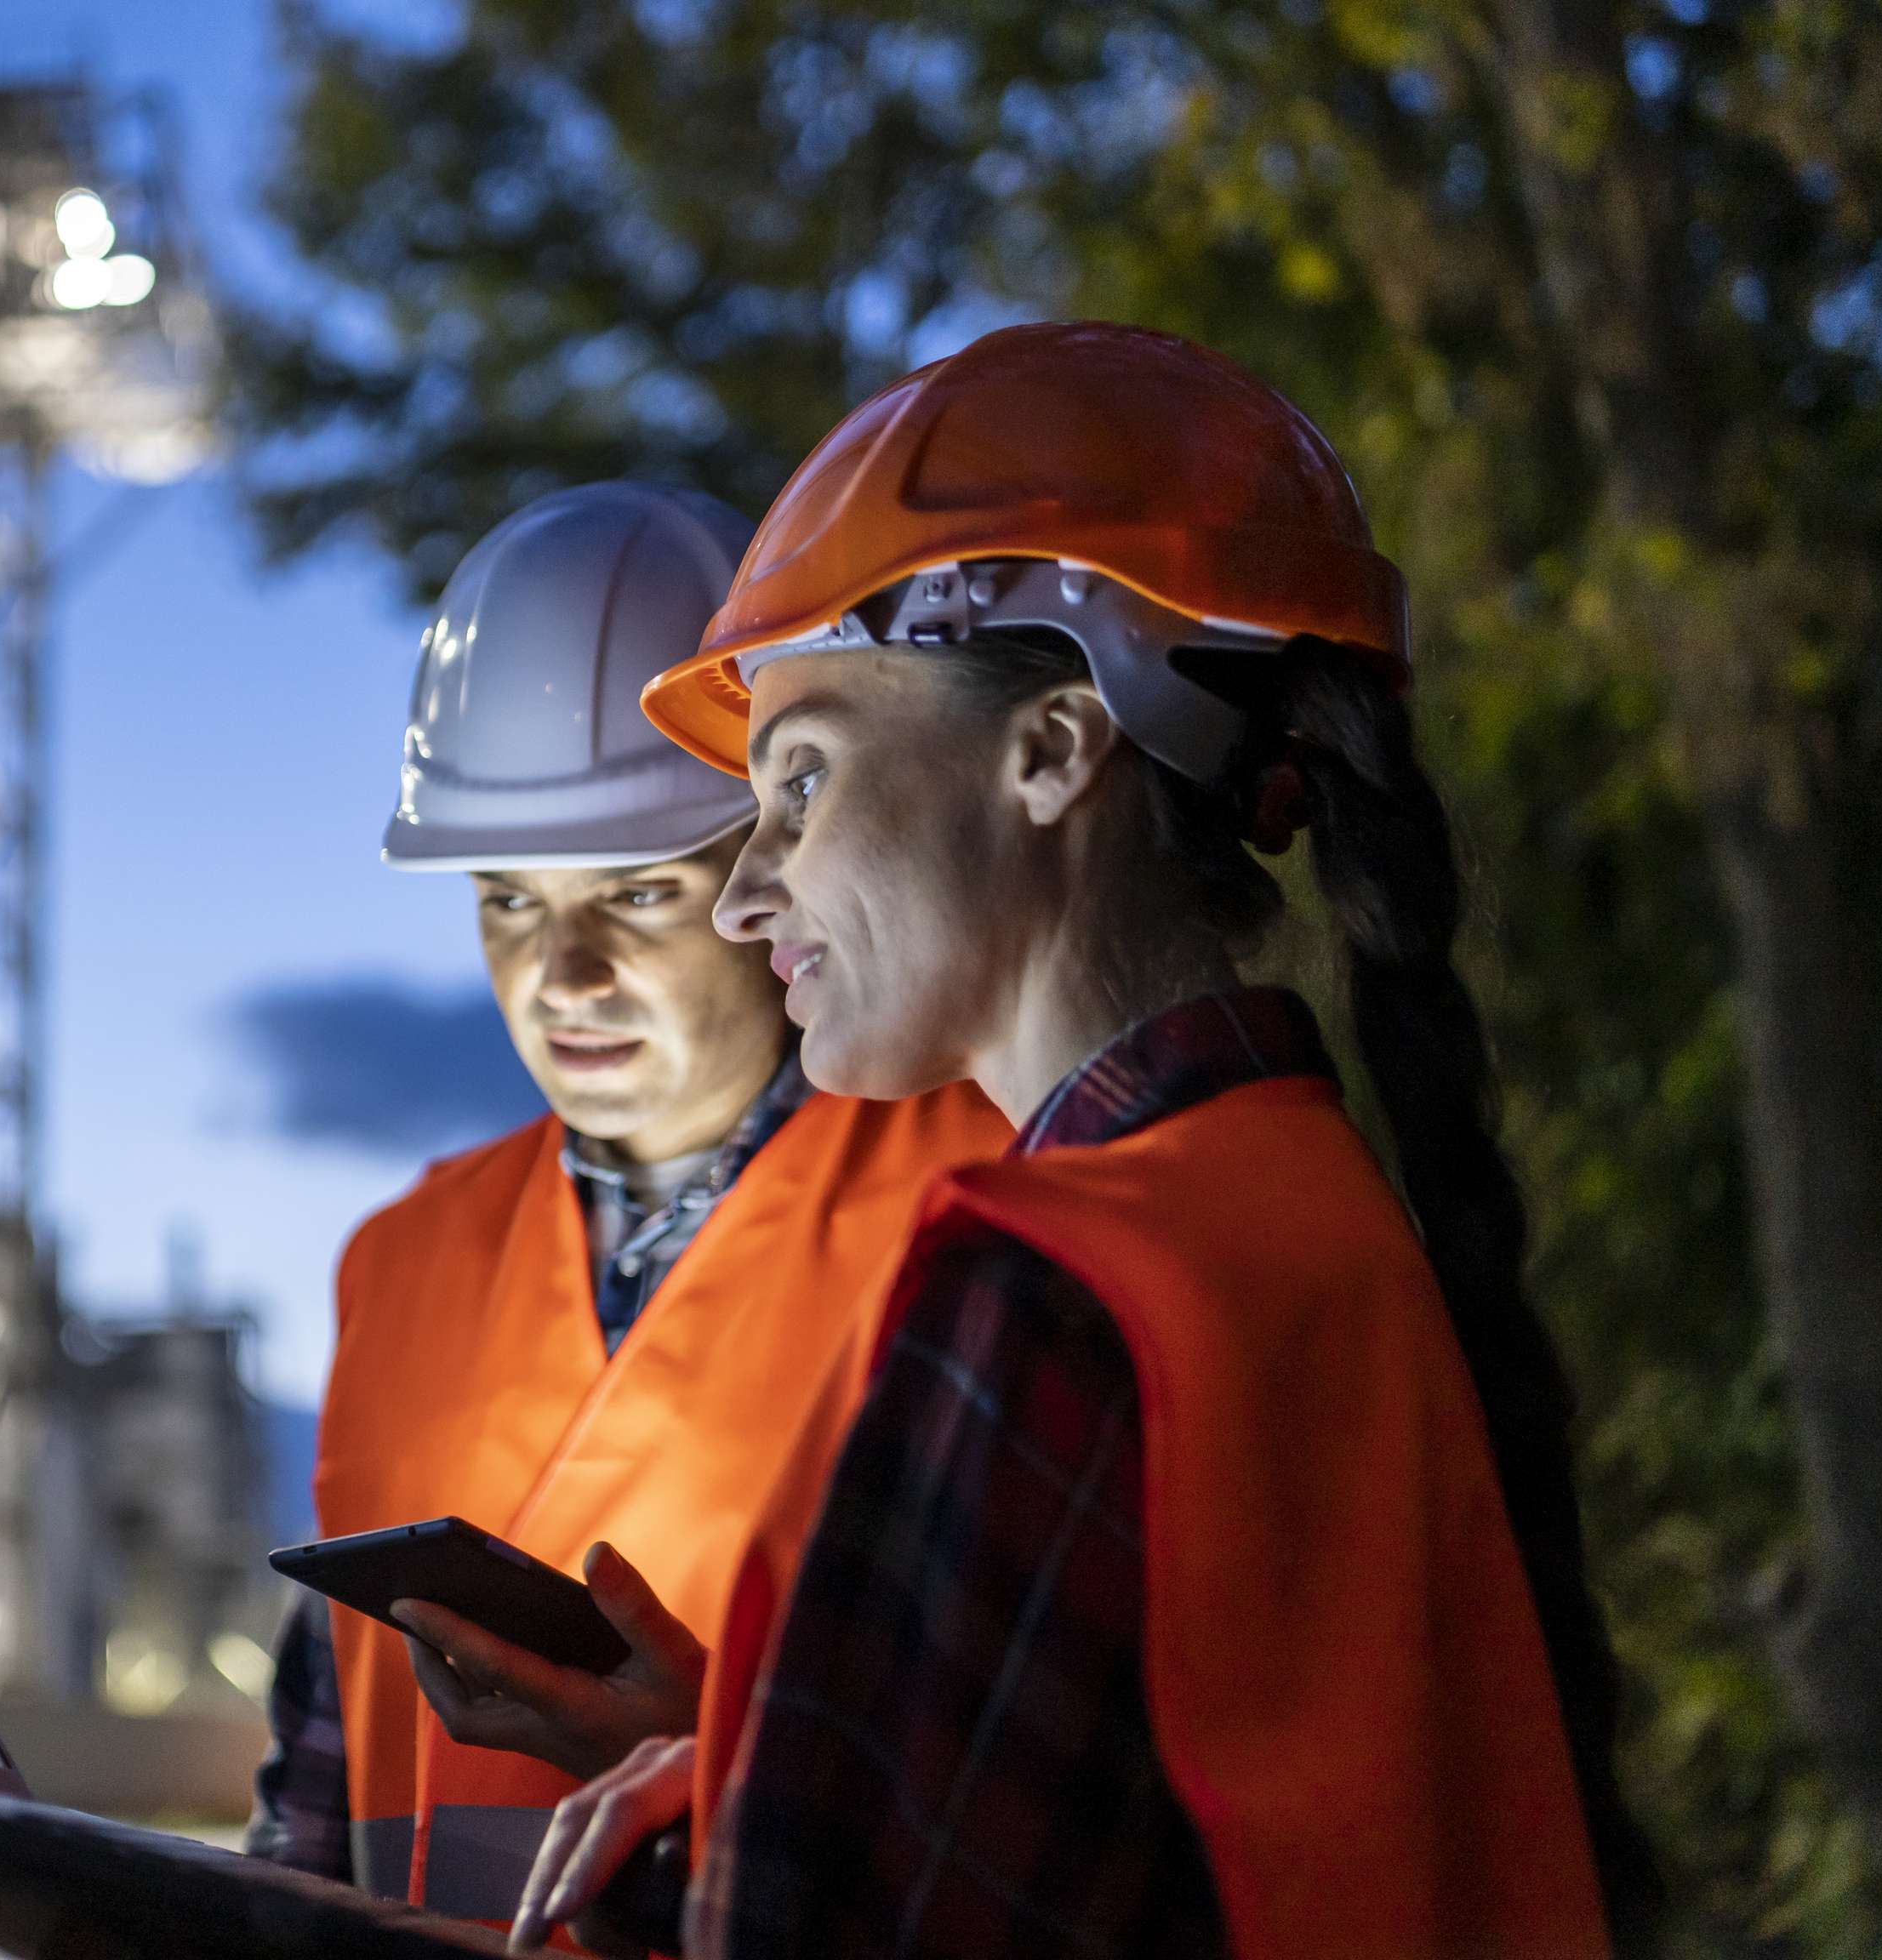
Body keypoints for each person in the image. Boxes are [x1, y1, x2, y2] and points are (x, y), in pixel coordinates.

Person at [509, 325, 1662, 1958]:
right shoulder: (1298, 1224)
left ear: (1052, 748)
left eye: (802, 782)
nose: (747, 891)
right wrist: (767, 1771)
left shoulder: (1055, 1292)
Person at [246, 481, 1009, 1929]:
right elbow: (321, 1775)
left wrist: (711, 1770)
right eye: (509, 902)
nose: (562, 975)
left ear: (773, 869)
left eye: (639, 895)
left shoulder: (981, 1209)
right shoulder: (399, 1264)